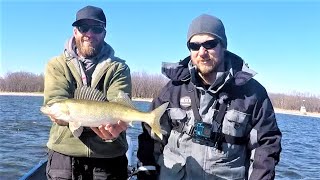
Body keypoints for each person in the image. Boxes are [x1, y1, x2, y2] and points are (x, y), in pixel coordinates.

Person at [137, 14, 282, 180]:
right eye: (194, 45)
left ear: (224, 46)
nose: (202, 52)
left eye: (210, 44)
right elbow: (150, 137)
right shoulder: (172, 90)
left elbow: (266, 146)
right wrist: (146, 173)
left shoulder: (252, 94)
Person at [43, 5, 131, 179]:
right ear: (75, 31)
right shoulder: (56, 64)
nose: (89, 34)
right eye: (83, 28)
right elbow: (56, 98)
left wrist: (116, 127)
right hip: (64, 155)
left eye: (97, 29)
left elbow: (119, 101)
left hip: (109, 156)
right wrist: (59, 115)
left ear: (104, 34)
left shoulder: (119, 67)